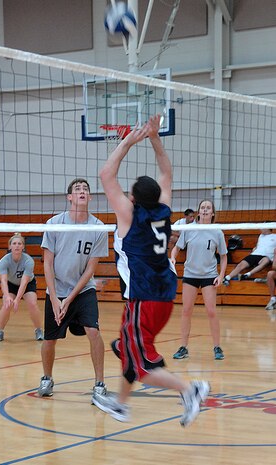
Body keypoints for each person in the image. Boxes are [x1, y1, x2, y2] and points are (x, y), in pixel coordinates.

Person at [93, 115, 210, 427]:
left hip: (142, 299)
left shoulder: (129, 216)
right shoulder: (165, 208)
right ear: (155, 196)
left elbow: (106, 174)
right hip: (162, 295)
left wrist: (130, 140)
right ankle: (120, 404)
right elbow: (167, 171)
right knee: (126, 348)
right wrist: (155, 137)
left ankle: (190, 389)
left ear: (133, 199)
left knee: (141, 365)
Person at [37, 178, 109, 404]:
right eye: (77, 189)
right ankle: (47, 378)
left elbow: (90, 269)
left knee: (93, 331)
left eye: (85, 190)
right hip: (55, 290)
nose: (82, 192)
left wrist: (69, 298)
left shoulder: (98, 227)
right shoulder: (54, 223)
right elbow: (47, 264)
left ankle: (99, 383)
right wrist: (56, 297)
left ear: (89, 198)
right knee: (50, 339)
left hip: (83, 289)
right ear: (69, 197)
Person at [171, 200, 227, 360]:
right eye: (202, 207)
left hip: (209, 275)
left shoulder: (217, 232)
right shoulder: (189, 229)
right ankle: (183, 347)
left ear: (213, 213)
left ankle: (217, 347)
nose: (204, 210)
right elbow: (176, 248)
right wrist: (173, 258)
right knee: (186, 311)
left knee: (211, 311)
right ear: (198, 212)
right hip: (190, 275)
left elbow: (223, 257)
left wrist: (221, 275)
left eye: (208, 208)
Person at [0, 233, 43, 342]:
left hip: (28, 284)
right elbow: (3, 281)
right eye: (14, 243)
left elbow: (24, 282)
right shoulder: (4, 261)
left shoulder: (28, 261)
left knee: (32, 304)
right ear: (9, 246)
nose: (17, 246)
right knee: (6, 305)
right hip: (11, 284)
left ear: (23, 247)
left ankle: (39, 330)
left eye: (20, 244)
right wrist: (7, 296)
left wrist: (17, 299)